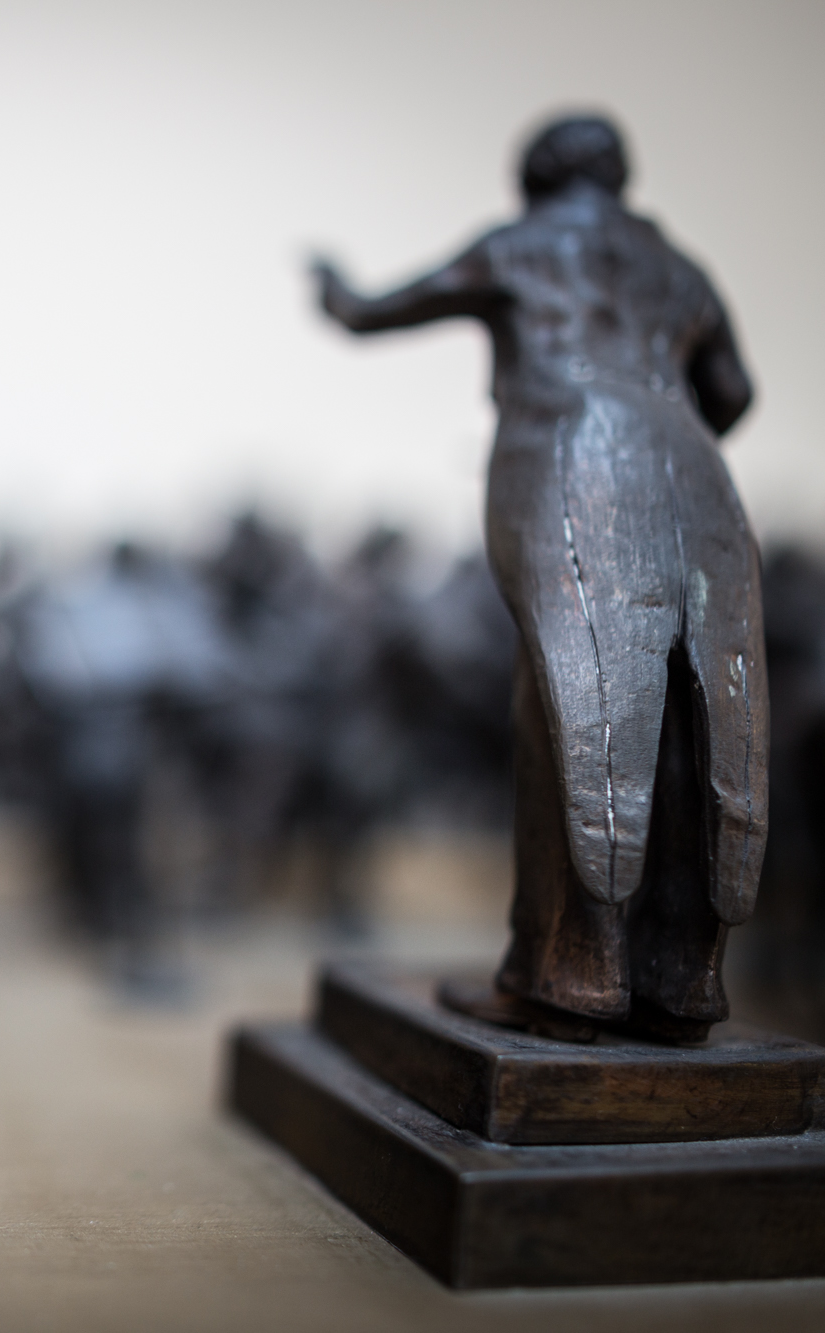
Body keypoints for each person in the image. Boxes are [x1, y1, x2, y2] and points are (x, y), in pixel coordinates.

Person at [316, 114, 761, 1041]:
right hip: (692, 469)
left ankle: (570, 974)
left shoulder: (520, 244)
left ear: (535, 174)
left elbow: (370, 310)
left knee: (570, 700)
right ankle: (682, 979)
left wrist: (330, 287)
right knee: (702, 709)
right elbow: (733, 392)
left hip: (569, 453)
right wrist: (657, 407)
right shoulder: (678, 267)